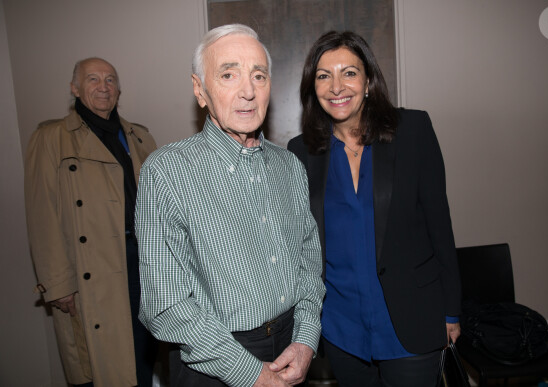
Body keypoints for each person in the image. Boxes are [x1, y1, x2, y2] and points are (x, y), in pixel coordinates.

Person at [135, 24, 325, 387]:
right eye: (228, 74)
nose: (248, 91)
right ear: (200, 90)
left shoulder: (290, 166)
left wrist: (305, 340)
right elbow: (165, 305)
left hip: (291, 349)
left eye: (259, 75)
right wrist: (249, 371)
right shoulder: (167, 172)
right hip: (212, 362)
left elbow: (308, 263)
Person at [287, 31, 462, 387]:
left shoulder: (412, 130)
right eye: (324, 76)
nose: (336, 86)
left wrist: (451, 310)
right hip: (341, 327)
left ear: (368, 81)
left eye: (348, 73)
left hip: (411, 319)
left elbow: (440, 226)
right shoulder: (301, 152)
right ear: (313, 87)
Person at [24, 57, 158, 387]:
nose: (103, 87)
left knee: (142, 356)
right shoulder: (52, 138)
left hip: (142, 261)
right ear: (74, 88)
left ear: (119, 90)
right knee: (101, 366)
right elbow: (42, 216)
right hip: (91, 268)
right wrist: (57, 283)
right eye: (93, 79)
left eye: (110, 80)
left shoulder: (140, 137)